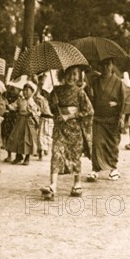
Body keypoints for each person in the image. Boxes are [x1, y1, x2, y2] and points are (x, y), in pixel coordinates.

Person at [40, 66, 94, 200]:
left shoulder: (80, 93)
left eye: (74, 74)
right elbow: (52, 109)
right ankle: (53, 185)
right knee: (56, 153)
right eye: (68, 74)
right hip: (60, 129)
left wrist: (70, 116)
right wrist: (54, 105)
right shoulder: (56, 91)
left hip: (75, 129)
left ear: (78, 76)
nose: (71, 77)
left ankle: (77, 183)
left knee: (74, 156)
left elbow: (89, 111)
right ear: (62, 75)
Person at [86, 58, 126, 182]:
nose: (105, 68)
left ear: (112, 65)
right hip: (98, 117)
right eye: (102, 65)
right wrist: (90, 92)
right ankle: (95, 169)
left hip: (113, 117)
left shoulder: (119, 82)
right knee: (96, 143)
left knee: (112, 144)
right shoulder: (95, 81)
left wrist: (121, 114)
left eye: (108, 64)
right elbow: (90, 99)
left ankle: (113, 168)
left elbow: (124, 101)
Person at [6, 81, 40, 165]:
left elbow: (37, 112)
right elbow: (13, 106)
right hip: (19, 121)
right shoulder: (20, 100)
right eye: (24, 90)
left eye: (27, 90)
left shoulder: (33, 102)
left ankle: (27, 157)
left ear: (32, 92)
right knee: (17, 138)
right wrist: (7, 105)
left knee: (27, 139)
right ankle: (18, 156)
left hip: (28, 122)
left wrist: (32, 113)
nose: (25, 92)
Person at [34, 74, 53, 161]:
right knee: (41, 136)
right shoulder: (41, 98)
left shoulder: (52, 98)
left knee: (49, 136)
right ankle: (40, 154)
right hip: (44, 118)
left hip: (51, 119)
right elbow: (36, 96)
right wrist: (39, 84)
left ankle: (47, 151)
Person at [2, 84, 20, 162]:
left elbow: (13, 107)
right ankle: (9, 155)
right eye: (11, 89)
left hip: (16, 119)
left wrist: (7, 105)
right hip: (8, 119)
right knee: (7, 135)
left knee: (16, 137)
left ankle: (17, 155)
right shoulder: (6, 96)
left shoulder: (19, 99)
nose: (12, 91)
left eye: (14, 89)